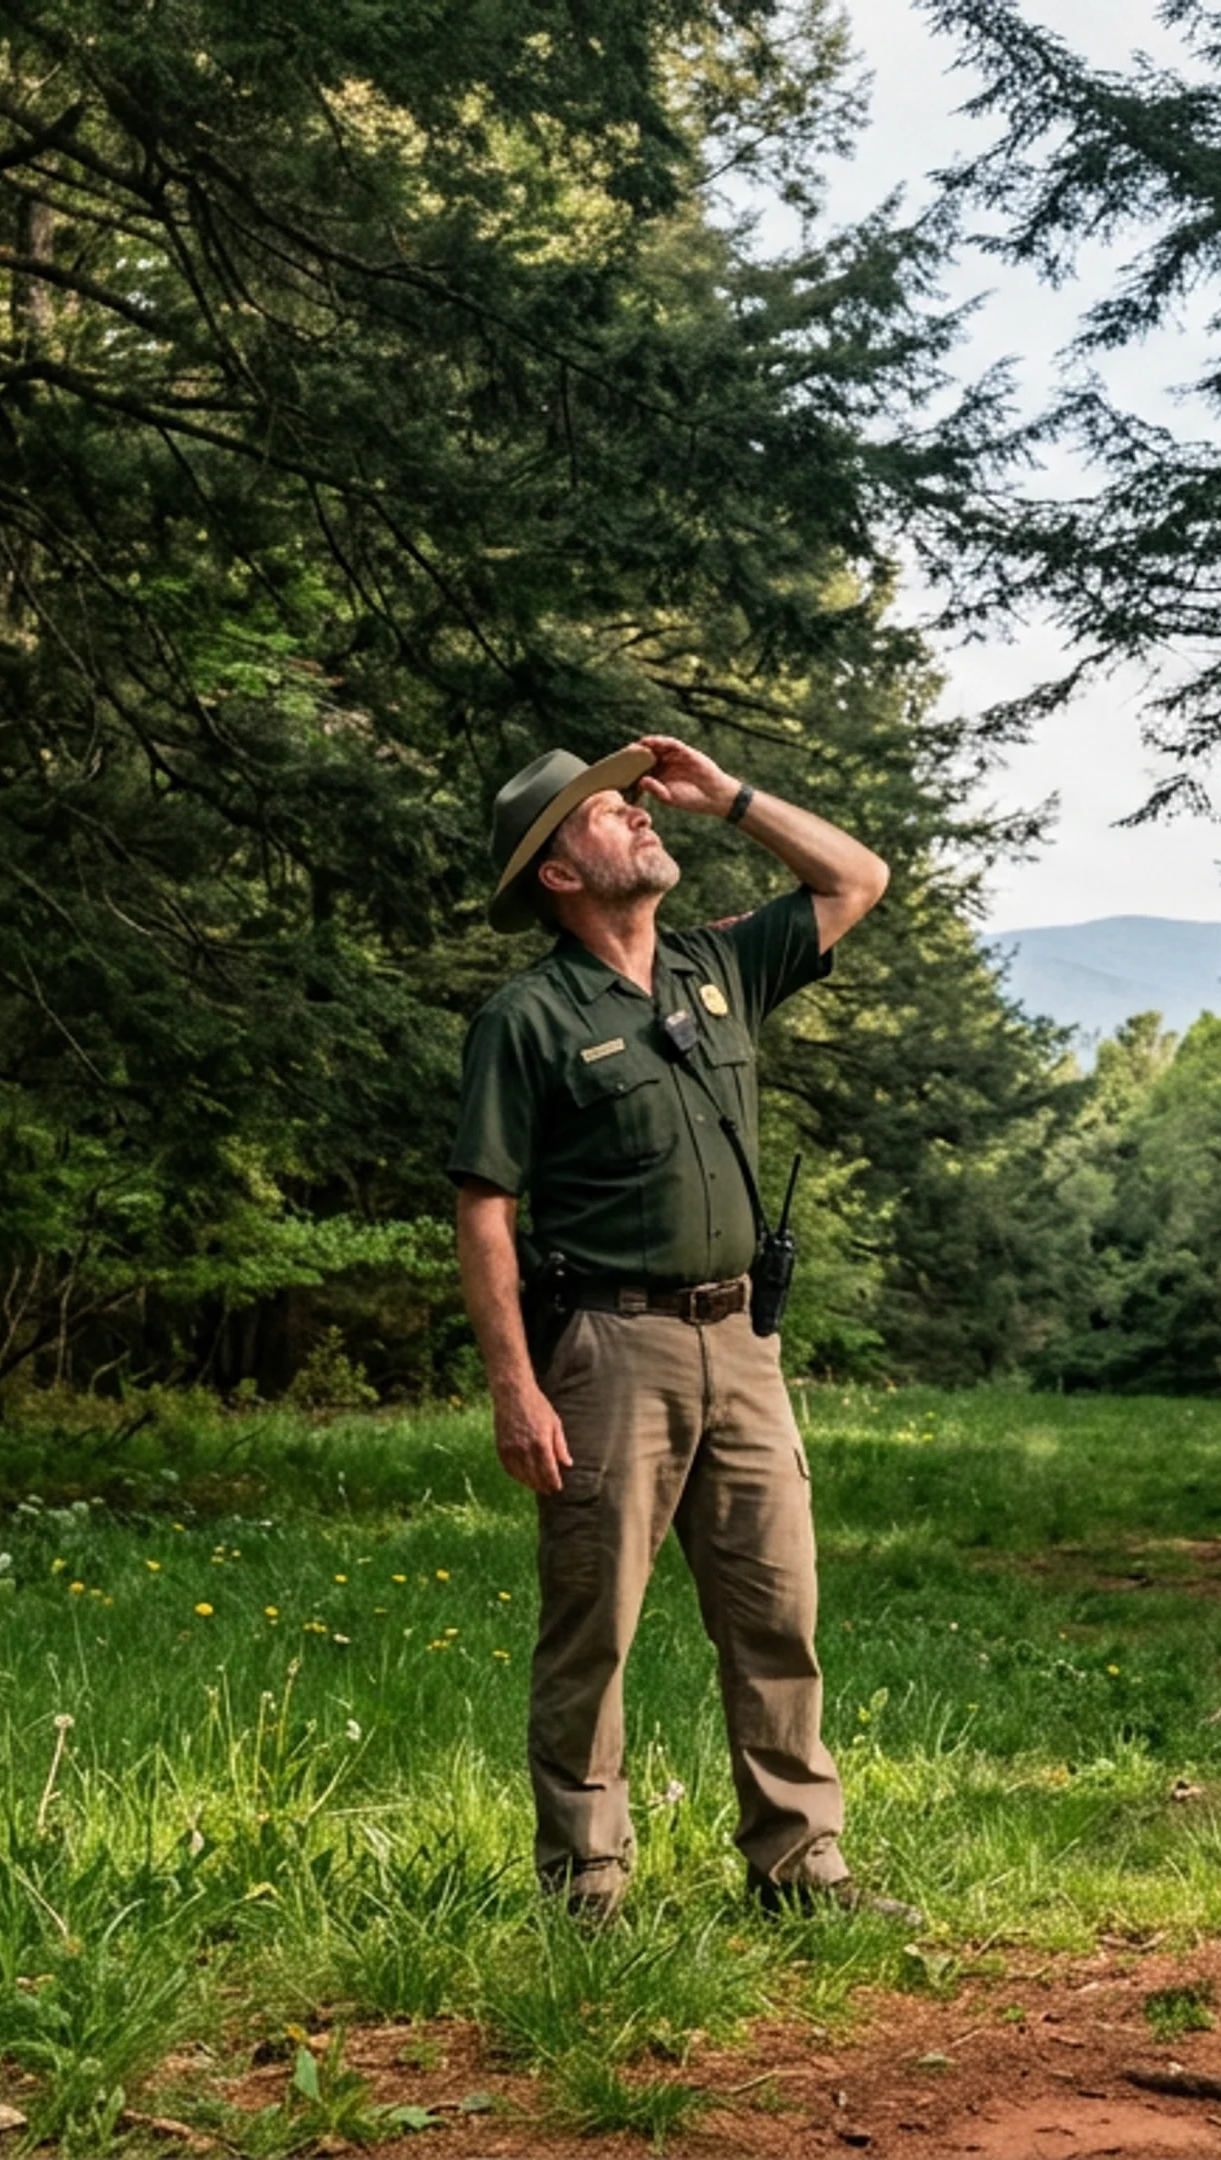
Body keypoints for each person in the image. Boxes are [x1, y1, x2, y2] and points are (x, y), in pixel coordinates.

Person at [448, 733, 914, 1927]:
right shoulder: (530, 1016)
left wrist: (732, 796)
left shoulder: (720, 968)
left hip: (742, 1345)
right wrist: (516, 1386)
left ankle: (800, 1870)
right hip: (610, 1352)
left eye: (634, 802)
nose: (639, 816)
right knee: (591, 1631)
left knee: (777, 1616)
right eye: (607, 814)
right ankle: (588, 1886)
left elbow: (856, 880)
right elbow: (486, 1209)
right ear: (556, 875)